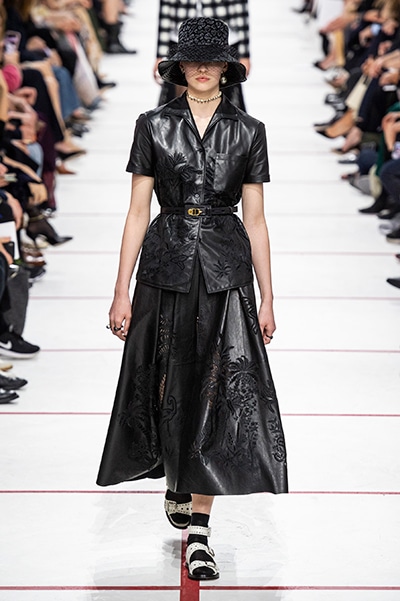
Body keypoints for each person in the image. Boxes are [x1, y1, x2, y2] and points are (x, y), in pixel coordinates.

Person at [97, 17, 288, 581]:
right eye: (193, 58)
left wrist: (268, 297)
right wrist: (120, 289)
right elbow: (138, 210)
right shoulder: (153, 125)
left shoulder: (249, 131)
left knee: (217, 388)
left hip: (226, 268)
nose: (203, 68)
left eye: (212, 59)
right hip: (165, 263)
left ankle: (200, 530)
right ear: (179, 66)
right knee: (164, 378)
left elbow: (257, 219)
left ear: (226, 67)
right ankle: (175, 472)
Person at [153, 0, 250, 110]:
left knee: (224, 96)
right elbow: (166, 8)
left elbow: (240, 7)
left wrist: (244, 54)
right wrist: (160, 54)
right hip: (181, 37)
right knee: (181, 97)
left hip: (222, 38)